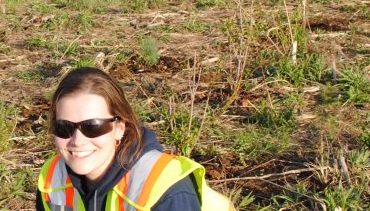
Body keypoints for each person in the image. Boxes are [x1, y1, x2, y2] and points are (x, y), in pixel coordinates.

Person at [36, 67, 235, 211]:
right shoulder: (52, 178)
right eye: (64, 127)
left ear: (119, 128)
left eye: (92, 126)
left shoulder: (165, 187)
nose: (77, 140)